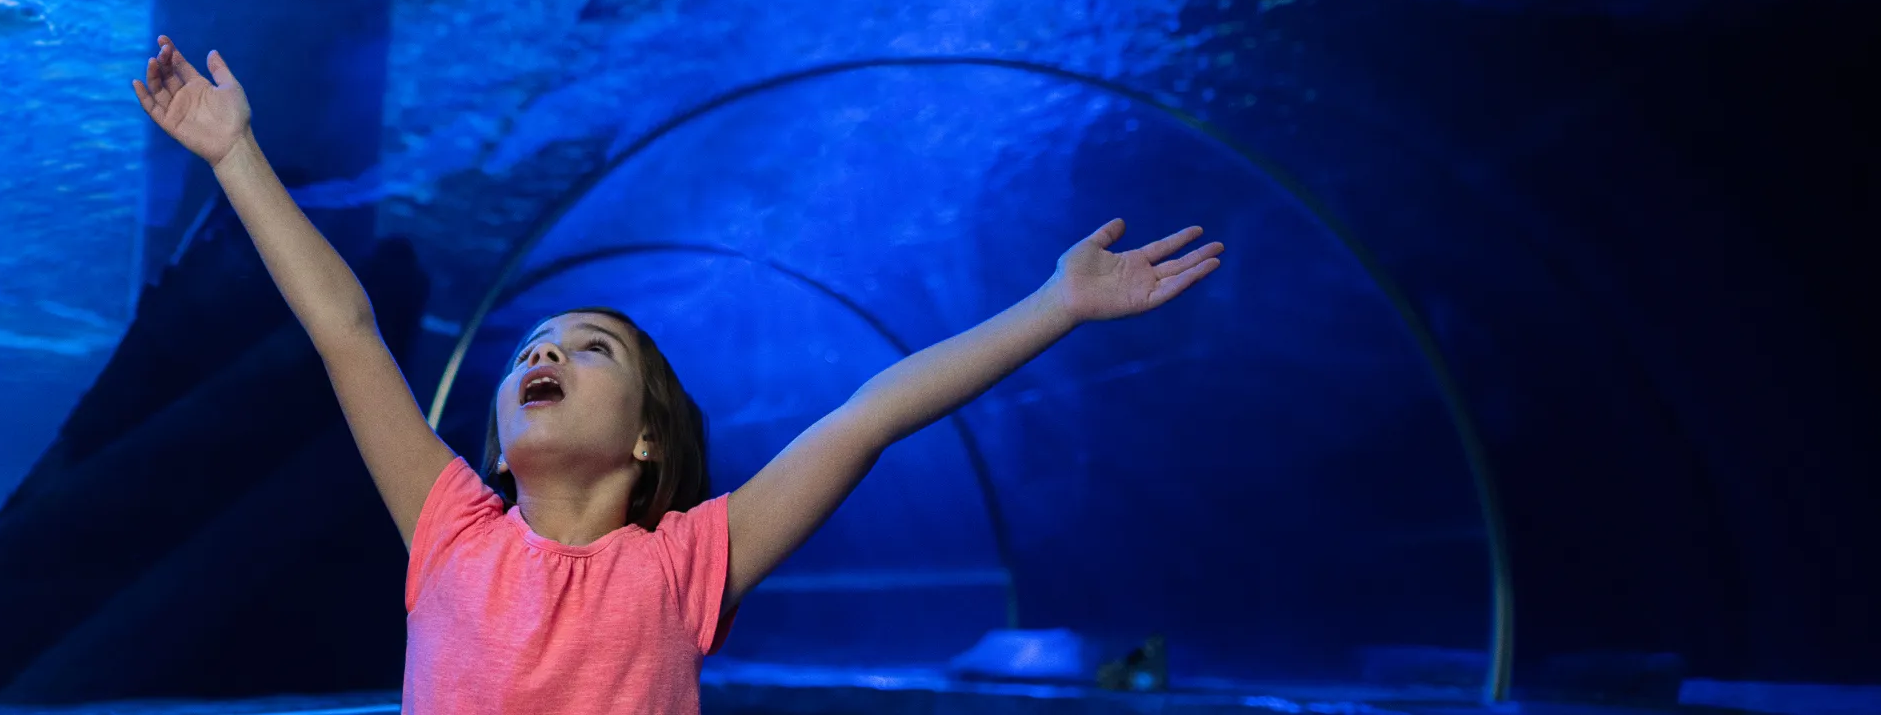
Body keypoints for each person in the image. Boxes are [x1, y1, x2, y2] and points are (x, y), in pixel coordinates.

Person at [132, 36, 1225, 714]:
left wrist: (1054, 304)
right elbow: (348, 331)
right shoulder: (450, 528)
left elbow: (871, 414)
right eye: (528, 353)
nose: (544, 353)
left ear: (650, 437)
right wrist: (235, 155)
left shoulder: (690, 563)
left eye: (587, 347)